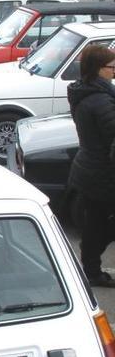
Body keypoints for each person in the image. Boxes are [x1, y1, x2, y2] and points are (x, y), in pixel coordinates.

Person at [66, 45, 115, 287]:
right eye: (111, 67)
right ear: (99, 69)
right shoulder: (100, 100)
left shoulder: (84, 92)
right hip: (101, 173)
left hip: (89, 169)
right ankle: (92, 270)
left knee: (94, 223)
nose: (114, 72)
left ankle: (91, 266)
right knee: (98, 226)